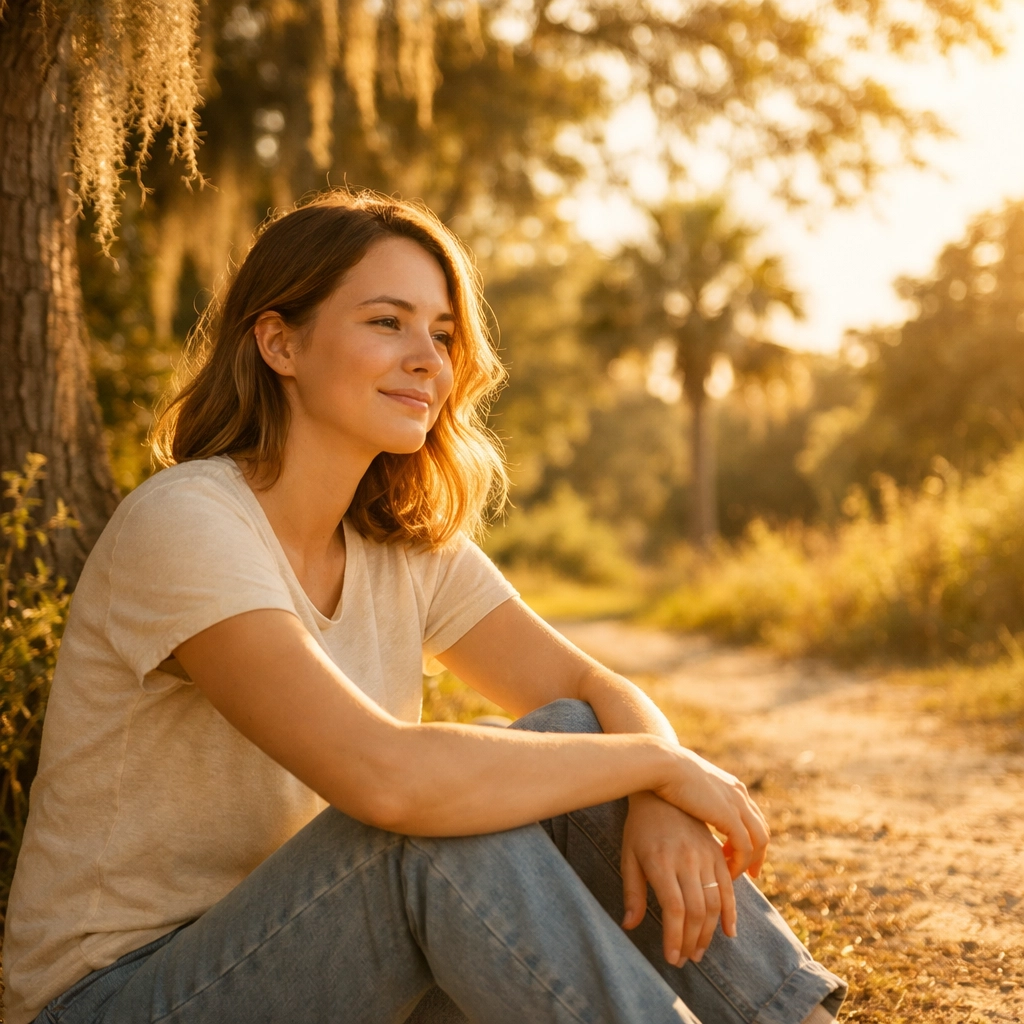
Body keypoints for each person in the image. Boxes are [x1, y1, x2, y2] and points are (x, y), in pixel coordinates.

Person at [4, 191, 846, 1024]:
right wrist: (658, 766)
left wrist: (657, 786)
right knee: (422, 829)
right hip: (123, 995)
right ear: (278, 342)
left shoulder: (400, 542)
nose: (429, 361)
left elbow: (590, 689)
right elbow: (388, 780)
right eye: (386, 322)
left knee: (567, 740)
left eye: (441, 335)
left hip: (330, 959)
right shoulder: (187, 521)